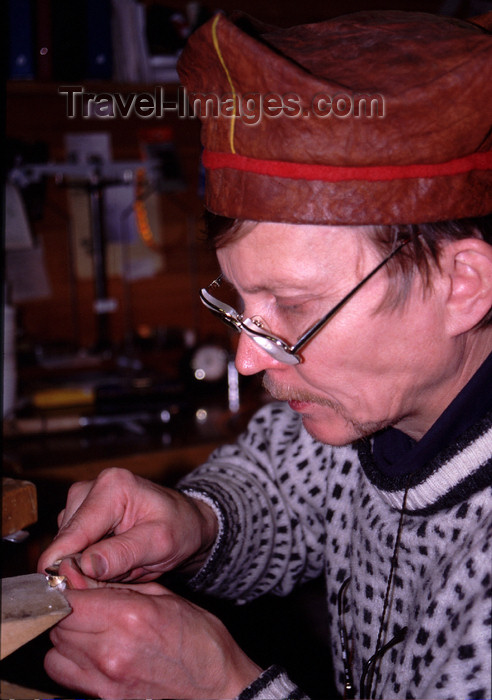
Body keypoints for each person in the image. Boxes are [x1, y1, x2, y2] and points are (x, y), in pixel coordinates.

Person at [38, 9, 492, 700]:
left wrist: (223, 689)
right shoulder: (365, 408)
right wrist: (197, 523)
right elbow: (282, 482)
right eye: (241, 301)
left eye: (295, 307)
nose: (249, 360)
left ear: (465, 285)